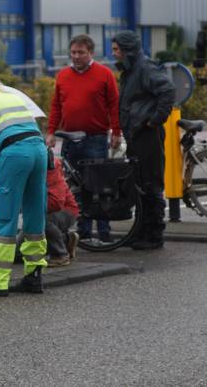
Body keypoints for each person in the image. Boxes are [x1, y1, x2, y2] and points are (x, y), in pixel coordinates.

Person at [0, 72, 48, 297]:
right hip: (39, 150)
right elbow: (15, 132)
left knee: (5, 217)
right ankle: (34, 276)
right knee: (35, 214)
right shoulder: (12, 96)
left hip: (15, 155)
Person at [46, 34, 121, 243]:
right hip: (69, 139)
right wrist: (51, 132)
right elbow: (56, 106)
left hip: (95, 138)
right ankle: (83, 233)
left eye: (81, 53)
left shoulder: (104, 74)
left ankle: (104, 233)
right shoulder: (62, 76)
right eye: (73, 53)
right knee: (72, 188)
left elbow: (114, 105)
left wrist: (116, 131)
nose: (76, 56)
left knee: (99, 187)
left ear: (91, 53)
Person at [111, 31, 176, 250]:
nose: (114, 53)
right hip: (138, 134)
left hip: (147, 135)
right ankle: (140, 231)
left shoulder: (144, 68)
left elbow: (168, 90)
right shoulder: (131, 70)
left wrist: (154, 120)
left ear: (127, 49)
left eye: (116, 49)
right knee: (138, 184)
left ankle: (154, 235)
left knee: (150, 183)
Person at [44, 154, 80, 267]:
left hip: (66, 210)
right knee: (18, 254)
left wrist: (31, 207)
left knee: (41, 220)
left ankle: (60, 255)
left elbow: (56, 202)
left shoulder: (51, 168)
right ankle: (67, 239)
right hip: (48, 210)